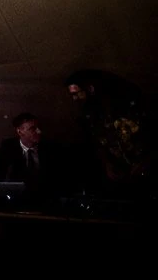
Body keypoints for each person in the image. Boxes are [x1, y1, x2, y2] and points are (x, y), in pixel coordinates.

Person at [65, 69, 154, 199]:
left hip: (145, 168)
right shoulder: (89, 114)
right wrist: (107, 163)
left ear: (89, 88)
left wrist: (146, 160)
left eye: (76, 93)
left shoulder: (128, 101)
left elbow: (149, 130)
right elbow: (95, 140)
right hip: (120, 174)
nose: (74, 99)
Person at [0, 112, 67, 206]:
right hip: (17, 200)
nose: (39, 131)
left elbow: (60, 178)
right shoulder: (8, 147)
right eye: (32, 129)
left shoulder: (50, 147)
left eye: (38, 127)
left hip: (45, 200)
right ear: (19, 131)